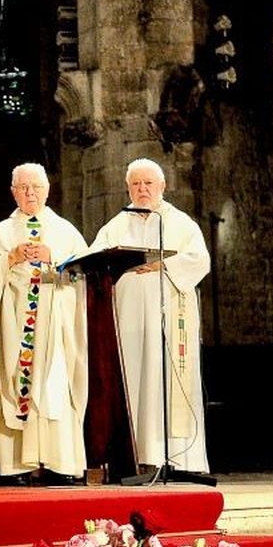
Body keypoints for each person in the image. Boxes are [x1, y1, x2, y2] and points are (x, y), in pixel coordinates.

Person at [85, 158, 212, 473]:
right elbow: (94, 261)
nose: (142, 189)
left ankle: (179, 459)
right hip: (128, 322)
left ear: (162, 186)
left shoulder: (180, 223)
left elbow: (200, 261)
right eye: (136, 184)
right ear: (128, 188)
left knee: (166, 380)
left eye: (148, 183)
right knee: (135, 380)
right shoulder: (115, 226)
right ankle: (139, 456)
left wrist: (162, 265)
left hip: (168, 321)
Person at [0, 164, 88, 484]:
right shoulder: (1, 233)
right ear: (13, 192)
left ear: (47, 190)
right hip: (15, 324)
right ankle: (18, 465)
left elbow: (86, 272)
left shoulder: (65, 231)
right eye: (23, 187)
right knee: (16, 385)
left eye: (36, 187)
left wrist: (53, 257)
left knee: (55, 386)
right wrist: (10, 259)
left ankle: (59, 463)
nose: (30, 193)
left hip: (56, 325)